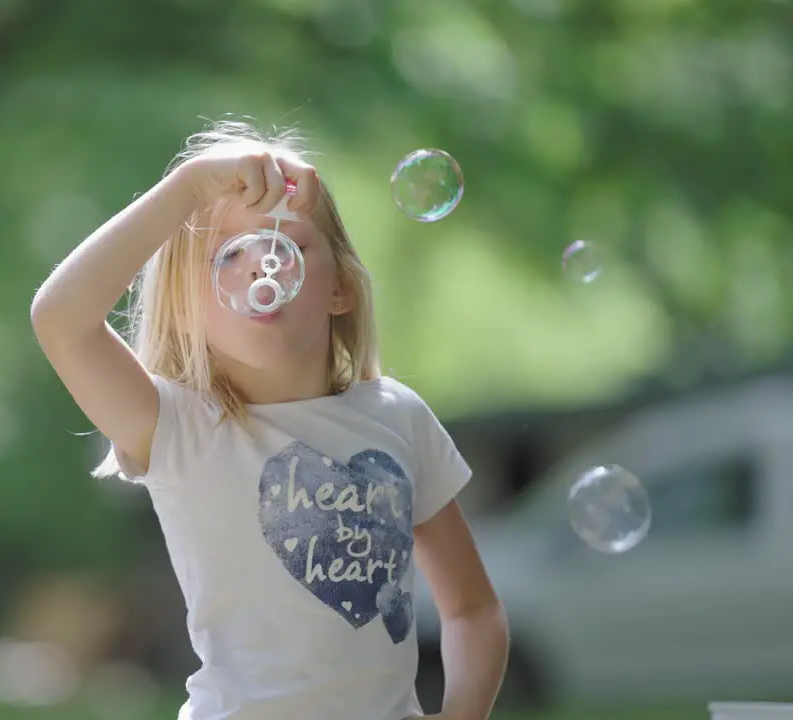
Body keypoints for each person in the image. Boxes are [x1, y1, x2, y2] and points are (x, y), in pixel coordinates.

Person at [30, 119, 508, 720]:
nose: (264, 269)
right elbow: (60, 319)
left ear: (341, 290)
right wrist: (190, 188)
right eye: (229, 254)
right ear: (186, 307)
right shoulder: (178, 427)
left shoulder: (399, 419)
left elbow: (473, 611)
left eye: (290, 246)